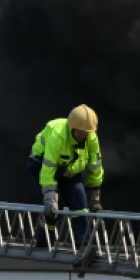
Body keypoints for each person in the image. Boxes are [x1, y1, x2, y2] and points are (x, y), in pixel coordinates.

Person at [27, 104, 104, 244]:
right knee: (54, 209)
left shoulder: (91, 138)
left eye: (86, 133)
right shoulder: (57, 135)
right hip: (42, 167)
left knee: (80, 203)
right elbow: (48, 167)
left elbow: (95, 166)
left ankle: (84, 245)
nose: (82, 136)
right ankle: (44, 242)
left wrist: (95, 197)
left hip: (69, 170)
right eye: (79, 132)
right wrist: (50, 198)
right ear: (71, 127)